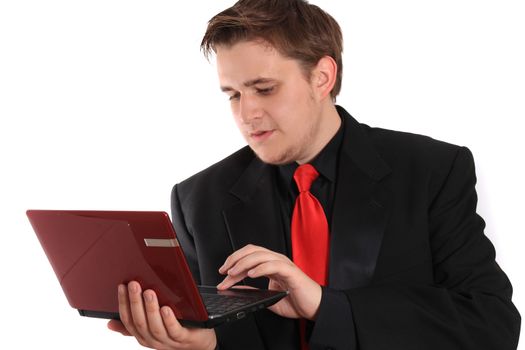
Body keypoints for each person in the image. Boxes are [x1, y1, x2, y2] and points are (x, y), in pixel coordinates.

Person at [107, 0, 521, 349]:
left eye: (265, 89)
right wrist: (207, 344)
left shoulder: (431, 169)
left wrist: (326, 305)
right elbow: (235, 336)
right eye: (233, 94)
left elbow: (492, 324)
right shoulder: (199, 197)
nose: (246, 113)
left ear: (322, 77)